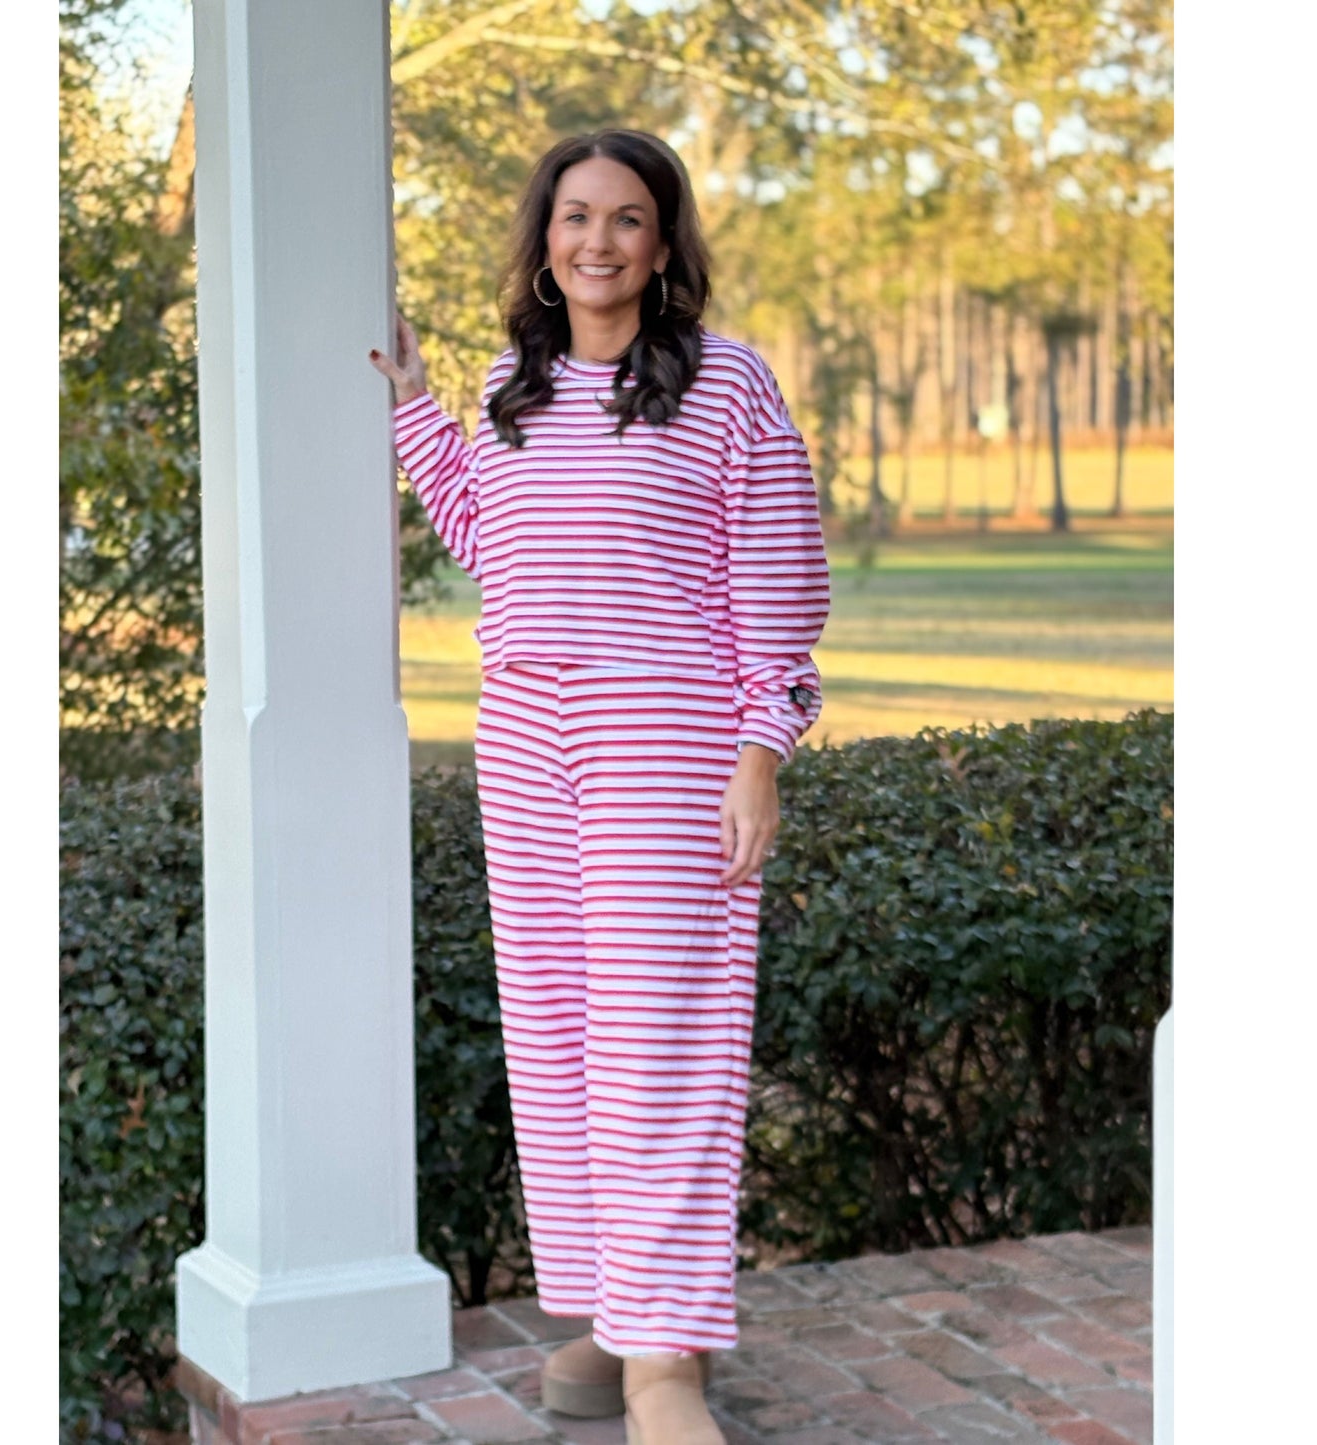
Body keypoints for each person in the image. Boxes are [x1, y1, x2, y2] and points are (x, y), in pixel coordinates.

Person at [369, 128, 829, 1445]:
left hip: (664, 735)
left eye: (627, 218)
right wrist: (416, 406)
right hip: (525, 735)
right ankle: (613, 1313)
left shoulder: (728, 384)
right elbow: (489, 537)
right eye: (575, 216)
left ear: (664, 243)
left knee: (660, 1040)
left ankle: (666, 1362)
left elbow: (780, 588)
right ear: (544, 237)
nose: (597, 241)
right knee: (559, 1032)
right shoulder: (510, 384)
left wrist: (761, 751)